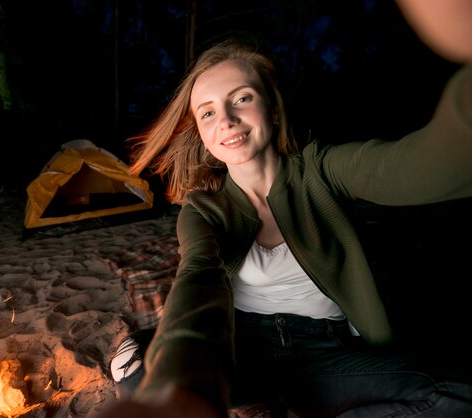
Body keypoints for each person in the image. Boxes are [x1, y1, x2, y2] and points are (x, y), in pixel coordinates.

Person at [93, 1, 472, 417]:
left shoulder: (322, 169)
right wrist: (173, 382)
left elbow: (415, 168)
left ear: (271, 107)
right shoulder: (204, 208)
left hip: (326, 353)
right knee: (137, 371)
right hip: (242, 348)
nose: (227, 119)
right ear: (201, 132)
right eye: (208, 112)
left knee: (454, 392)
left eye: (242, 98)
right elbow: (198, 277)